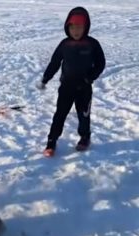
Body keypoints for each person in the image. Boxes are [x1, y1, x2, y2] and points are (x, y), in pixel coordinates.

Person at [37, 6, 105, 157]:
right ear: (68, 27)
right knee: (60, 114)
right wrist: (46, 79)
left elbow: (101, 63)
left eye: (79, 27)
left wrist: (90, 77)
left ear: (85, 27)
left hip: (84, 88)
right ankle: (51, 141)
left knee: (84, 115)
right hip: (66, 87)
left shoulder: (92, 44)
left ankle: (85, 137)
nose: (76, 31)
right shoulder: (64, 44)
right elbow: (54, 63)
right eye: (72, 27)